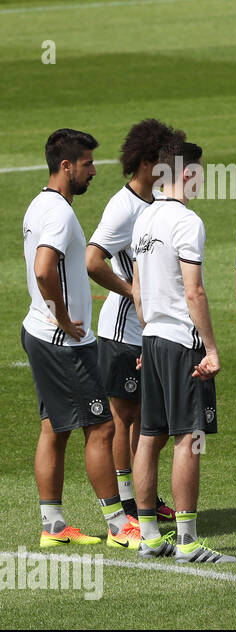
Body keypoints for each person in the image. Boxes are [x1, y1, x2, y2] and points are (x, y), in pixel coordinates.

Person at [22, 128, 130, 549]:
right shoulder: (58, 213)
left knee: (54, 427)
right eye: (87, 164)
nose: (94, 171)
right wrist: (64, 318)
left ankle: (52, 525)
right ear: (66, 166)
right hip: (62, 343)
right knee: (101, 427)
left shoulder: (39, 204)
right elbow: (45, 269)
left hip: (41, 334)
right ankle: (120, 525)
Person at [130, 141, 229, 562]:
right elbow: (195, 290)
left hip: (152, 338)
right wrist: (210, 347)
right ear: (185, 174)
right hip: (180, 342)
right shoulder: (187, 222)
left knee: (149, 437)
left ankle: (150, 536)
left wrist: (145, 333)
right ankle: (188, 541)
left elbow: (137, 288)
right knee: (189, 438)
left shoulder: (144, 218)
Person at [86, 119, 182, 523]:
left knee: (146, 418)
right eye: (163, 163)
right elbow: (93, 260)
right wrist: (132, 291)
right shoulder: (123, 207)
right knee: (126, 419)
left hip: (150, 331)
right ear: (145, 163)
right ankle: (128, 502)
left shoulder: (158, 202)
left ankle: (143, 497)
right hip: (123, 332)